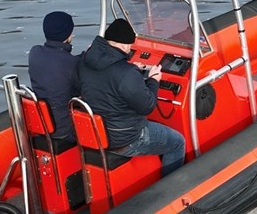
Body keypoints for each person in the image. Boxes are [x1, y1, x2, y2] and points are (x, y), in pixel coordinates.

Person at [77, 17, 186, 175]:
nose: (130, 49)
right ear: (123, 45)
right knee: (177, 143)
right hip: (124, 138)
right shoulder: (126, 73)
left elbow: (107, 80)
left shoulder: (86, 60)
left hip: (97, 133)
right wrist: (154, 80)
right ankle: (172, 186)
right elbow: (147, 106)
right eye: (130, 46)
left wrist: (131, 71)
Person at [28, 10, 79, 141]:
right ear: (68, 35)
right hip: (64, 129)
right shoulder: (72, 63)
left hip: (42, 124)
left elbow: (58, 63)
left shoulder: (35, 53)